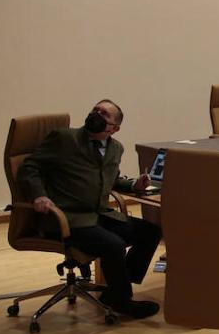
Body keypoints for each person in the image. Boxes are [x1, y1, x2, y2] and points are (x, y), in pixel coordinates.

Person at [17, 100, 163, 319]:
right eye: (95, 110)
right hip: (67, 218)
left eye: (105, 114)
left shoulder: (116, 148)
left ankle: (116, 289)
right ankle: (123, 301)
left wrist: (133, 185)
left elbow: (110, 179)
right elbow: (30, 167)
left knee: (150, 231)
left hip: (97, 215)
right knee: (114, 244)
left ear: (114, 128)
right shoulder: (65, 138)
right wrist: (39, 194)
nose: (97, 114)